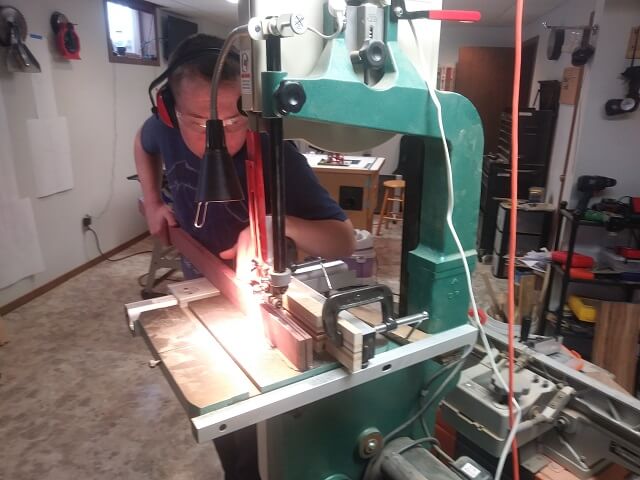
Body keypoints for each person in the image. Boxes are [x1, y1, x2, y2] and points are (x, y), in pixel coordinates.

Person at [133, 34, 355, 480]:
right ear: (168, 110)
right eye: (199, 123)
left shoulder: (279, 159)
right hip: (201, 271)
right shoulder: (164, 128)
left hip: (259, 290)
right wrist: (153, 200)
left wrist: (276, 222)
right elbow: (144, 143)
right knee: (224, 415)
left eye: (235, 122)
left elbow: (343, 241)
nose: (220, 135)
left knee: (266, 429)